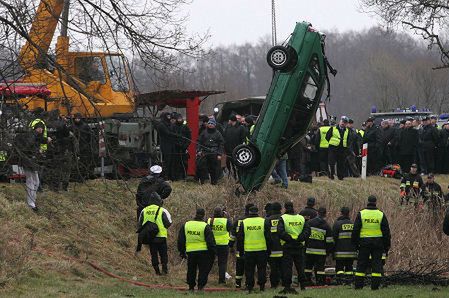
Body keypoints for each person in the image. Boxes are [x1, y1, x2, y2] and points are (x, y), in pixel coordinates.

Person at [352, 195, 391, 290]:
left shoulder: (361, 214)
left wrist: (355, 245)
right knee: (377, 265)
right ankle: (375, 287)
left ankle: (358, 286)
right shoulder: (381, 214)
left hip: (364, 243)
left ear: (368, 201)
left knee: (361, 264)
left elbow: (355, 231)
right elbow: (386, 232)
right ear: (375, 202)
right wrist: (386, 246)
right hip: (378, 243)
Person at [178, 208, 216, 292]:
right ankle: (200, 287)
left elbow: (181, 240)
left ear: (195, 214)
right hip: (203, 252)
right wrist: (213, 253)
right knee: (203, 270)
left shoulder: (186, 225)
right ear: (203, 215)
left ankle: (191, 287)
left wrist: (181, 251)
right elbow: (210, 242)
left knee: (191, 269)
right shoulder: (205, 226)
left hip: (190, 252)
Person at [16, 122, 50, 212]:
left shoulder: (36, 136)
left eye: (42, 128)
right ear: (36, 128)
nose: (41, 130)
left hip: (32, 161)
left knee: (36, 182)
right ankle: (31, 204)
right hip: (27, 161)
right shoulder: (31, 135)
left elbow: (40, 140)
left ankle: (32, 201)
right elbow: (28, 146)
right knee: (30, 181)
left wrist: (40, 148)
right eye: (40, 128)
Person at [277, 201, 310, 294]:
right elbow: (307, 230)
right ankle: (303, 285)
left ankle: (287, 286)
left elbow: (280, 231)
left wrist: (290, 239)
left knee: (287, 267)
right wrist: (300, 238)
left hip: (287, 246)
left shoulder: (283, 218)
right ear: (293, 207)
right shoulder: (301, 218)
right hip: (299, 246)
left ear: (285, 208)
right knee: (301, 266)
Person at [137, 192, 172, 275]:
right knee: (163, 253)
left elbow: (140, 224)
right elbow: (169, 223)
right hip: (161, 236)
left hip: (150, 237)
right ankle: (164, 269)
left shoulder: (144, 211)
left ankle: (157, 271)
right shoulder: (162, 210)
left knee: (153, 254)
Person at [237, 206, 270, 293]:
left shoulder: (244, 222)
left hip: (249, 251)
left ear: (249, 212)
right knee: (262, 269)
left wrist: (240, 251)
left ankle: (250, 287)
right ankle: (262, 287)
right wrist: (269, 250)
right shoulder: (263, 221)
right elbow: (268, 237)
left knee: (249, 270)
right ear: (257, 212)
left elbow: (240, 238)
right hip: (262, 250)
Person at [304, 207, 333, 286]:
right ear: (325, 214)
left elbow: (305, 236)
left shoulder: (309, 223)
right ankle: (320, 282)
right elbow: (329, 241)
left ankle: (306, 281)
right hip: (321, 252)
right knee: (320, 268)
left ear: (317, 213)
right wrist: (328, 251)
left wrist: (305, 248)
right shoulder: (326, 226)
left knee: (308, 267)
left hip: (309, 250)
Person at [229, 203, 254, 288]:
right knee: (250, 267)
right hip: (253, 247)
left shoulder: (239, 220)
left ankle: (238, 284)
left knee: (240, 266)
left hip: (240, 246)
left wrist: (231, 245)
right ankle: (248, 283)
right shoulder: (256, 220)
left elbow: (233, 234)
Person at [207, 207, 232, 284]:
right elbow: (230, 228)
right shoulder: (226, 221)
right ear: (222, 213)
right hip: (223, 244)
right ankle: (221, 281)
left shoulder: (209, 220)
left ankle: (203, 278)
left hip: (212, 244)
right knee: (222, 263)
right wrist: (227, 217)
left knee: (208, 262)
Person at [197, 118, 224, 185]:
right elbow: (199, 142)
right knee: (202, 166)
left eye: (212, 124)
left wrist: (219, 154)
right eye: (209, 123)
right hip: (205, 152)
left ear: (214, 125)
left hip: (214, 152)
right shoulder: (204, 132)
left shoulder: (218, 133)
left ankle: (214, 182)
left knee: (214, 168)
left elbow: (221, 144)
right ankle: (204, 181)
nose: (210, 125)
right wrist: (198, 150)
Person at [333, 207, 356, 284]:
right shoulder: (353, 224)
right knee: (349, 267)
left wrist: (333, 250)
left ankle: (339, 281)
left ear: (341, 213)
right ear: (348, 213)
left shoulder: (337, 224)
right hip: (351, 253)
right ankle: (349, 281)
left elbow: (333, 238)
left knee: (339, 268)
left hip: (340, 252)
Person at [264, 202, 283, 289]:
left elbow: (266, 235)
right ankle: (284, 283)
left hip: (272, 248)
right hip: (283, 248)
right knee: (284, 267)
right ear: (281, 209)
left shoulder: (267, 220)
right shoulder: (284, 218)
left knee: (273, 268)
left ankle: (273, 285)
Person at [223, 114, 247, 179]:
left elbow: (243, 139)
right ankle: (232, 177)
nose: (228, 121)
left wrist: (242, 147)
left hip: (237, 150)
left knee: (237, 166)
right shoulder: (228, 127)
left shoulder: (241, 127)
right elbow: (224, 137)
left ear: (231, 120)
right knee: (229, 164)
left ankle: (239, 178)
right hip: (228, 150)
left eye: (229, 119)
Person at [72, 113, 93, 182]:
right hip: (76, 146)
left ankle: (83, 177)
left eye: (78, 118)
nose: (77, 120)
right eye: (76, 118)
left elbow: (89, 136)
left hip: (84, 146)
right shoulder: (73, 126)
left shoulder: (85, 126)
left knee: (84, 162)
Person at [155, 112, 176, 180]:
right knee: (166, 161)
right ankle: (165, 176)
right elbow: (167, 133)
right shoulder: (161, 125)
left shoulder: (170, 124)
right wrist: (175, 135)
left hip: (171, 144)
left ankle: (171, 176)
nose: (169, 117)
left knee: (172, 161)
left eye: (169, 116)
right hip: (165, 145)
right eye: (168, 116)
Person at [172, 113, 191, 180]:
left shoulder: (185, 127)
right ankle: (176, 177)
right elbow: (172, 137)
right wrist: (176, 144)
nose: (180, 120)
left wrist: (185, 145)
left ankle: (184, 176)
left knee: (184, 162)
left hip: (184, 148)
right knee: (176, 163)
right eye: (178, 119)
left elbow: (189, 138)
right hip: (176, 148)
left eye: (180, 118)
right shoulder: (173, 127)